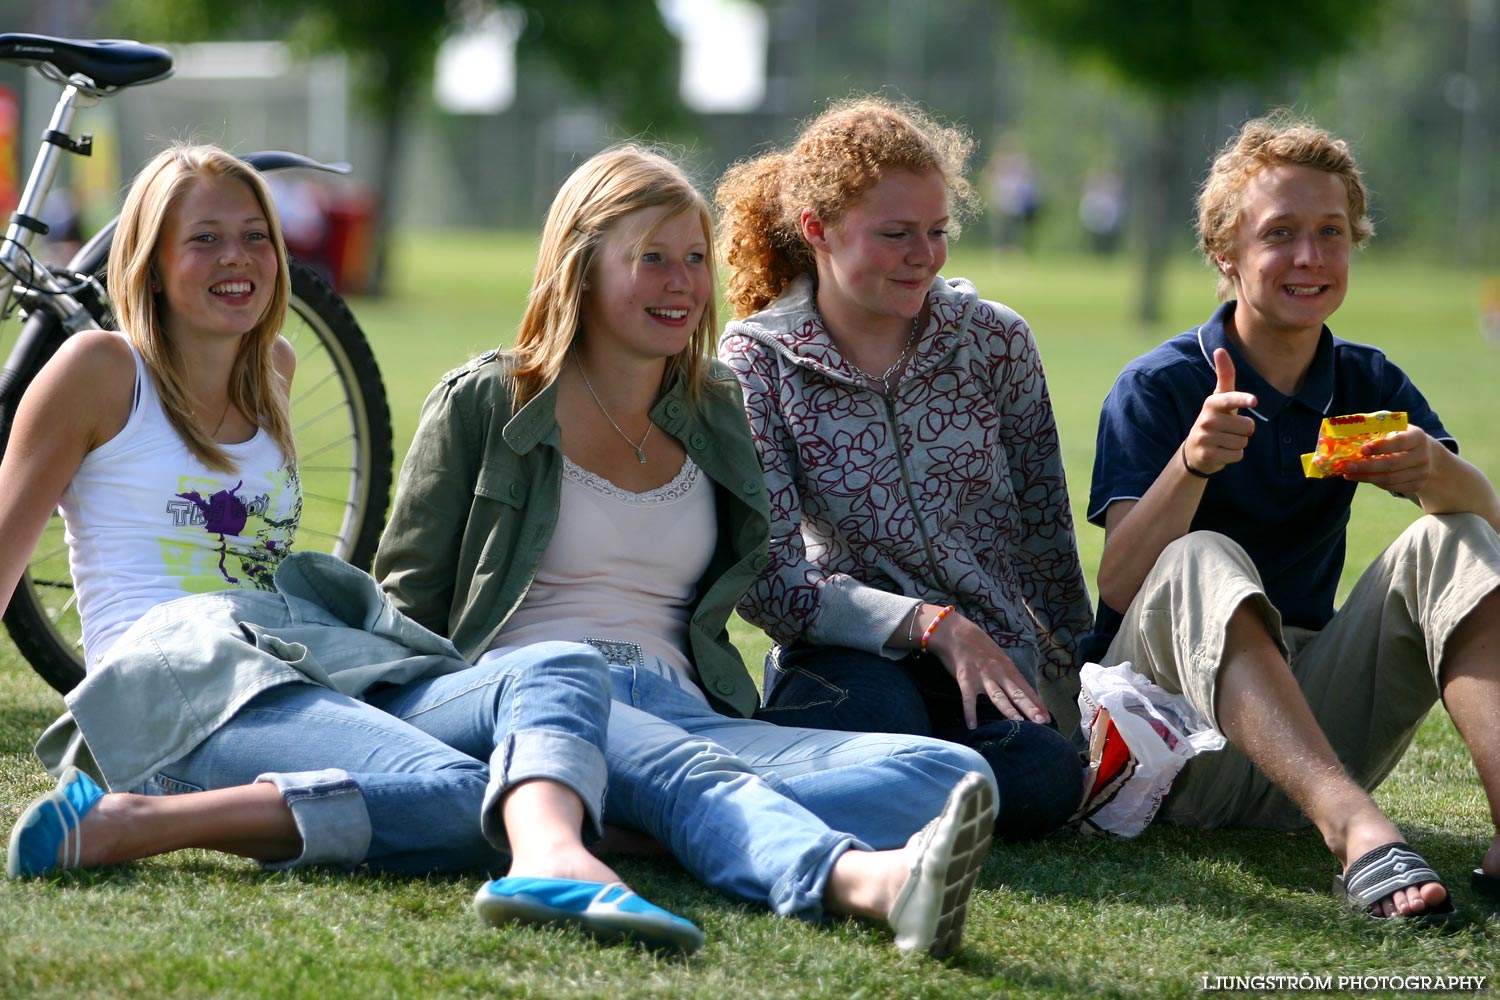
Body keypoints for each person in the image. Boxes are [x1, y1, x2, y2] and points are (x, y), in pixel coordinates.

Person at [3, 145, 700, 953]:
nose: (237, 259)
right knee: (474, 794)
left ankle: (576, 837)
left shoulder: (274, 368)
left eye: (255, 236)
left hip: (285, 648)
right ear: (151, 264)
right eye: (203, 240)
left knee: (558, 667)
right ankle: (132, 823)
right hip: (165, 682)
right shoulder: (97, 368)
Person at [371, 143, 998, 958]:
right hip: (539, 700)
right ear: (582, 269)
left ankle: (623, 821)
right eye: (652, 259)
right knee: (682, 770)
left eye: (695, 259)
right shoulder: (488, 402)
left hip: (688, 712)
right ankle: (856, 880)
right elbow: (404, 609)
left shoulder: (717, 411)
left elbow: (775, 574)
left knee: (954, 777)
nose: (682, 284)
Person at [1084, 113, 1500, 925]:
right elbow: (1120, 583)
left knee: (1453, 529)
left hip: (1310, 733)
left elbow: (1485, 536)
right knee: (1201, 553)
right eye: (1280, 233)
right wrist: (1193, 464)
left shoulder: (1367, 379)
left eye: (1331, 232)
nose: (1309, 257)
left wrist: (1438, 472)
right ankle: (1357, 834)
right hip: (1177, 753)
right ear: (1226, 254)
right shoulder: (1159, 385)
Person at [714, 96, 1090, 840]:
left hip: (992, 665)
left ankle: (876, 788)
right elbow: (771, 580)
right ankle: (899, 784)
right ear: (817, 231)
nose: (926, 255)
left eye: (937, 231)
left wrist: (1081, 680)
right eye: (896, 234)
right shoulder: (753, 361)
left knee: (1047, 775)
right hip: (850, 659)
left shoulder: (997, 342)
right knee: (873, 719)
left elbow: (1047, 535)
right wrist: (929, 625)